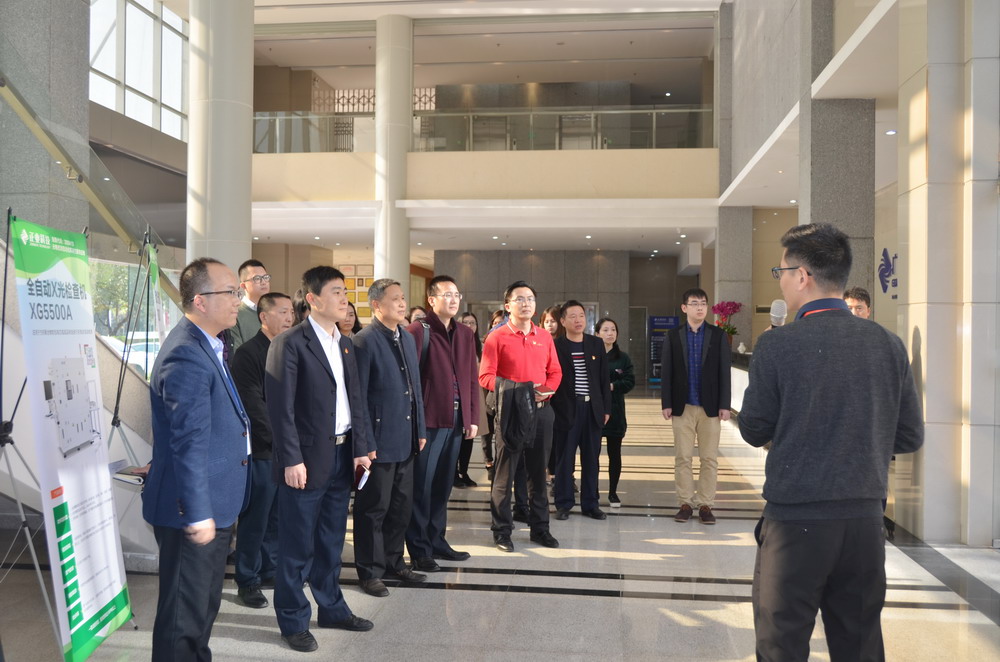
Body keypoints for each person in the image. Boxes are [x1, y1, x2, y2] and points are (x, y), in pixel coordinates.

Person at [740, 223, 924, 662]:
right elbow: (909, 435)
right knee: (859, 644)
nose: (780, 281)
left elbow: (753, 429)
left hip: (795, 522)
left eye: (781, 272)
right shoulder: (888, 344)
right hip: (864, 521)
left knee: (782, 645)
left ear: (802, 276)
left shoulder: (777, 346)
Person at [142, 257, 250, 661]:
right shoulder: (186, 354)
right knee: (183, 620)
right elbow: (188, 444)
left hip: (214, 502)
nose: (238, 299)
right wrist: (199, 512)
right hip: (191, 511)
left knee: (201, 610)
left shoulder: (209, 344)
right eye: (230, 292)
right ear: (200, 301)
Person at [266, 266, 375, 653]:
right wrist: (291, 459)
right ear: (312, 299)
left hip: (342, 455)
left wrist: (361, 447)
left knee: (331, 542)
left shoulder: (345, 343)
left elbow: (356, 400)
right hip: (305, 460)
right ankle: (293, 620)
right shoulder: (290, 343)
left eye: (345, 291)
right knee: (296, 546)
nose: (344, 299)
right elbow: (280, 410)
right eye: (336, 292)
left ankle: (332, 608)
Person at [352, 279, 428, 597]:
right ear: (376, 305)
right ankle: (370, 571)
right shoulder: (364, 341)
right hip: (378, 442)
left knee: (400, 506)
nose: (401, 303)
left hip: (406, 437)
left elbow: (415, 388)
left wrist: (420, 428)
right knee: (373, 509)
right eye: (394, 299)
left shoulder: (406, 337)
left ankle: (395, 561)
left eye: (402, 298)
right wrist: (365, 443)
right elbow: (358, 398)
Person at [479, 281, 562, 552]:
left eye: (530, 299)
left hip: (541, 411)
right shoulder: (496, 337)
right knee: (504, 475)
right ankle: (502, 531)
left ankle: (540, 529)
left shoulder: (544, 337)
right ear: (507, 306)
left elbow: (555, 372)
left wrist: (544, 391)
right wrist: (520, 390)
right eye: (519, 299)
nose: (526, 303)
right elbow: (486, 376)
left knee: (538, 475)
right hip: (511, 414)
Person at [405, 276, 480, 571]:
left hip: (457, 419)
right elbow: (409, 380)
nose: (453, 299)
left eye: (456, 294)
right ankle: (419, 549)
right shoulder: (418, 330)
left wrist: (472, 417)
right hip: (429, 421)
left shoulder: (465, 333)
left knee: (443, 485)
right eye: (446, 294)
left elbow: (471, 378)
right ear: (432, 299)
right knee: (422, 486)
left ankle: (437, 540)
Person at [230, 292, 294, 610]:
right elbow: (253, 405)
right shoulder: (248, 353)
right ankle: (247, 579)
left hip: (289, 449)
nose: (289, 317)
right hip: (263, 449)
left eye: (291, 312)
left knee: (278, 517)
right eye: (282, 312)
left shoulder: (290, 349)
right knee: (256, 518)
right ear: (264, 317)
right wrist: (281, 439)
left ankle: (270, 569)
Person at [661, 288, 731, 525]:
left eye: (703, 303)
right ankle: (685, 503)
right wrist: (666, 403)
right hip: (682, 406)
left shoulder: (718, 335)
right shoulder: (673, 336)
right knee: (683, 457)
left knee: (709, 458)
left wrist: (725, 404)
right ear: (684, 308)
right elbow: (667, 371)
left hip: (710, 408)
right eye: (694, 303)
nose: (699, 307)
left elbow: (724, 372)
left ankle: (705, 504)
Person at [551, 300, 611, 520]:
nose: (578, 320)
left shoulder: (596, 344)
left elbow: (604, 378)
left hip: (592, 409)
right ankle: (563, 503)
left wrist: (606, 408)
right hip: (566, 409)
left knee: (591, 460)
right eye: (573, 316)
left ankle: (590, 504)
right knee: (564, 459)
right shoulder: (556, 346)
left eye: (581, 316)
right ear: (563, 321)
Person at [596, 317, 635, 507]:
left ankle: (613, 492)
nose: (610, 333)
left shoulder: (623, 358)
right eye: (605, 330)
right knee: (592, 455)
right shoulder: (591, 356)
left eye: (613, 330)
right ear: (597, 334)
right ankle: (593, 491)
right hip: (594, 411)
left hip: (616, 411)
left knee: (615, 454)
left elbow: (629, 381)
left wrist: (612, 386)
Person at [454, 311, 484, 488]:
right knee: (457, 437)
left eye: (472, 323)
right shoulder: (456, 342)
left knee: (470, 437)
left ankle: (464, 471)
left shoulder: (480, 346)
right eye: (465, 322)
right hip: (459, 395)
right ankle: (453, 474)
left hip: (475, 394)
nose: (469, 326)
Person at [481, 309, 506, 482]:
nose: (497, 326)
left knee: (500, 435)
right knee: (486, 434)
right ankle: (489, 463)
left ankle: (498, 465)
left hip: (501, 397)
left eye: (501, 323)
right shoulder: (486, 343)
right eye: (495, 323)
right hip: (486, 396)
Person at [229, 259, 271, 350]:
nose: (263, 282)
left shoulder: (273, 311)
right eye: (257, 279)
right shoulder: (235, 313)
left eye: (266, 277)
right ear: (243, 286)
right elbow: (237, 352)